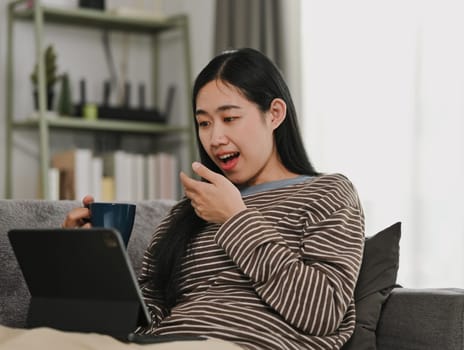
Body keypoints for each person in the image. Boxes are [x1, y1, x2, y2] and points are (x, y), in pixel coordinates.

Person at [63, 48, 365, 350]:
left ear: (274, 114)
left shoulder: (328, 192)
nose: (215, 138)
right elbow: (146, 320)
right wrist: (89, 261)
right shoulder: (190, 210)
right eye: (204, 123)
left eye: (230, 118)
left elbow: (322, 312)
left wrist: (235, 218)